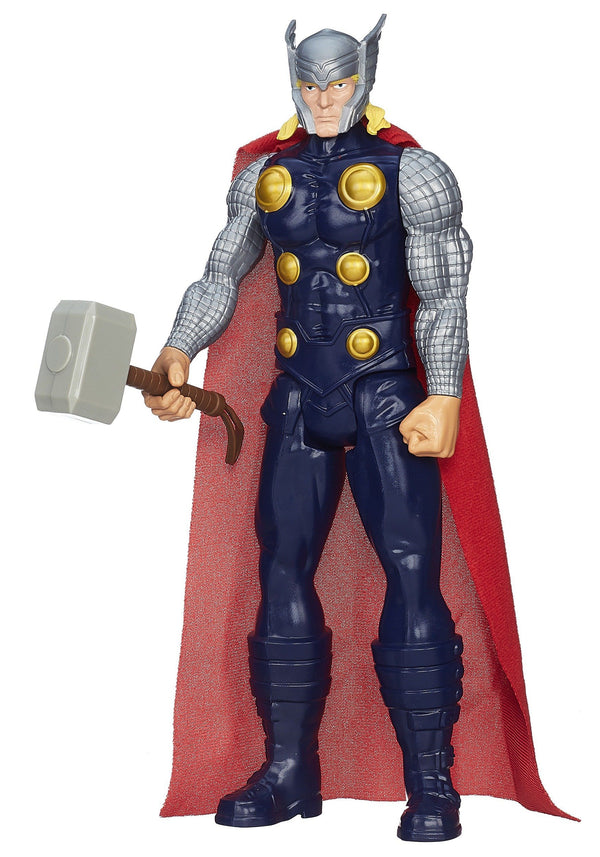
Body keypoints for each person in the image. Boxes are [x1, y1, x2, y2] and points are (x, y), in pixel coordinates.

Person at [143, 16, 554, 843]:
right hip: (299, 396)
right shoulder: (266, 175)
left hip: (384, 396)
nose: (324, 98)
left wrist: (444, 394)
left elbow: (445, 291)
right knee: (281, 571)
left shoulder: (415, 172)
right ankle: (289, 769)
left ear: (365, 76)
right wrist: (178, 348)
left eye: (337, 82)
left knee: (412, 573)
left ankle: (431, 780)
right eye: (309, 84)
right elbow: (221, 272)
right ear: (292, 82)